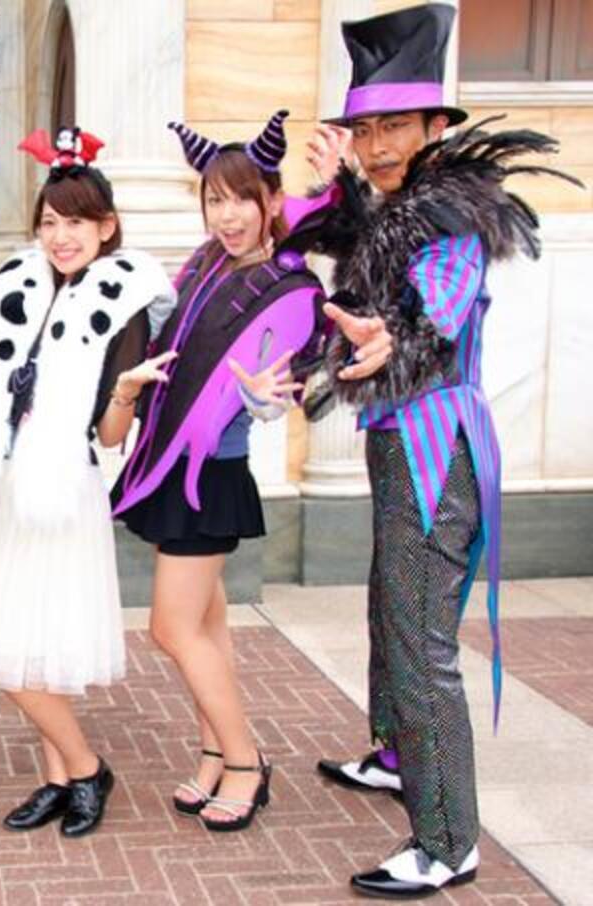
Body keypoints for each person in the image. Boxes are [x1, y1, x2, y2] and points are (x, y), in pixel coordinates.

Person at [303, 4, 579, 897]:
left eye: (394, 126)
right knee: (389, 612)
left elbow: (435, 309)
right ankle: (394, 756)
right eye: (365, 129)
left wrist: (392, 338)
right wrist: (333, 196)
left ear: (432, 127)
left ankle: (450, 840)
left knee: (420, 642)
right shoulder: (397, 209)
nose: (377, 144)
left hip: (435, 451)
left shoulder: (451, 211)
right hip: (398, 443)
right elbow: (360, 255)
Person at [0, 127, 175, 838]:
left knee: (16, 654)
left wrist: (125, 391)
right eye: (51, 223)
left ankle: (87, 768)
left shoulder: (123, 303)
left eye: (77, 223)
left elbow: (110, 436)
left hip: (59, 488)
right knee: (17, 644)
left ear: (107, 227)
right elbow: (3, 401)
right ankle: (59, 779)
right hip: (1, 489)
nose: (61, 237)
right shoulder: (18, 287)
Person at [110, 111, 330, 832]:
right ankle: (214, 751)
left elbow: (273, 390)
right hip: (172, 466)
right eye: (215, 199)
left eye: (242, 199)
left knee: (170, 629)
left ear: (272, 202)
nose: (228, 215)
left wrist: (266, 398)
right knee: (206, 625)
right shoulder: (205, 266)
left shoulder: (288, 287)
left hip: (209, 477)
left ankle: (245, 761)